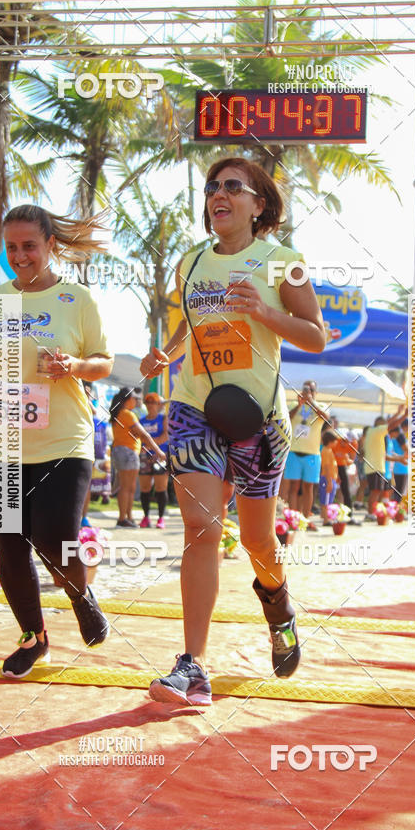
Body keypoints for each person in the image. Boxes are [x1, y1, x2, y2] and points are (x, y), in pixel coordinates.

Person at [141, 156, 326, 706]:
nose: (218, 195)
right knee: (200, 524)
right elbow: (191, 321)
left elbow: (316, 336)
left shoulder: (284, 262)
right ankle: (193, 667)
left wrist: (265, 314)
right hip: (194, 405)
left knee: (255, 539)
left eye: (232, 187)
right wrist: (166, 352)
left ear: (258, 203)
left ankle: (278, 603)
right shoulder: (191, 261)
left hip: (257, 417)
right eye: (211, 188)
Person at [0, 204, 114, 678]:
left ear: (50, 245)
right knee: (11, 542)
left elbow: (103, 361)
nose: (20, 256)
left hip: (63, 440)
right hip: (1, 443)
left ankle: (80, 593)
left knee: (56, 541)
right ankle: (33, 637)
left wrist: (73, 367)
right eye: (12, 247)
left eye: (29, 246)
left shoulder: (75, 299)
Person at [109, 387, 166, 527]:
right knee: (126, 487)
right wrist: (158, 450)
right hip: (127, 452)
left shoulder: (120, 413)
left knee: (129, 487)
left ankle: (128, 517)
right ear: (128, 399)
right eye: (135, 398)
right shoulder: (128, 414)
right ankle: (123, 518)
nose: (137, 401)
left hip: (123, 451)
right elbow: (144, 435)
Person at [279, 379, 329, 526]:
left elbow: (325, 418)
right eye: (306, 389)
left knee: (308, 488)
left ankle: (305, 520)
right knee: (293, 487)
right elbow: (285, 418)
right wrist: (300, 404)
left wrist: (311, 402)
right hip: (294, 452)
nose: (308, 392)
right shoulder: (295, 405)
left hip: (312, 453)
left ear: (316, 392)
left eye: (311, 390)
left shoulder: (321, 406)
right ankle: (293, 519)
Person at [362, 405, 407, 520]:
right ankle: (371, 513)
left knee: (377, 491)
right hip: (375, 466)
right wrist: (404, 415)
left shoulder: (373, 432)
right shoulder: (377, 432)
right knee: (375, 491)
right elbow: (391, 424)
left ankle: (374, 512)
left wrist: (398, 413)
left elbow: (389, 423)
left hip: (374, 466)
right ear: (380, 425)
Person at [139, 392, 169, 528]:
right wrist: (148, 445)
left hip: (160, 456)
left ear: (159, 405)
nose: (150, 405)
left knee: (160, 487)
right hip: (145, 457)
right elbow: (138, 439)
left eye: (154, 402)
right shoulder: (141, 421)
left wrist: (149, 444)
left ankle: (161, 518)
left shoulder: (163, 418)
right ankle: (146, 517)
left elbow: (166, 436)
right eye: (148, 402)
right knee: (145, 488)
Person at [332, 429, 359, 522]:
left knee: (345, 491)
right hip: (332, 466)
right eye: (344, 440)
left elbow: (352, 459)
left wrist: (346, 459)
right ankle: (332, 513)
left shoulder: (354, 443)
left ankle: (348, 514)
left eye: (347, 442)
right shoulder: (336, 441)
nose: (345, 443)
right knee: (332, 490)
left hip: (343, 466)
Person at [319, 431, 339, 515]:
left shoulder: (329, 451)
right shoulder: (326, 451)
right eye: (335, 441)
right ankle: (326, 518)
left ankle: (325, 516)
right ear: (330, 441)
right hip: (327, 478)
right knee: (326, 499)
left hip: (331, 478)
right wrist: (329, 481)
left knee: (329, 498)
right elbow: (326, 467)